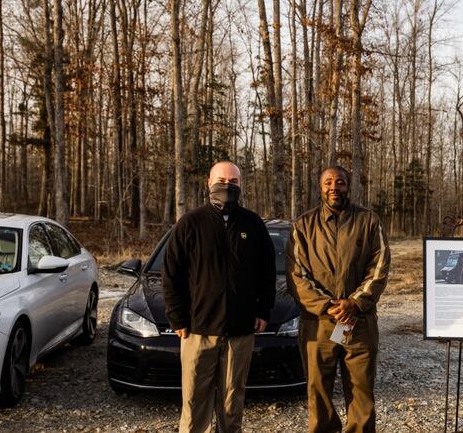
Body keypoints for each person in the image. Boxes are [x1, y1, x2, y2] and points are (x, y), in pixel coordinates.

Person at [162, 161, 276, 433]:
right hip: (198, 330)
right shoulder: (190, 223)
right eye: (221, 180)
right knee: (194, 402)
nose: (227, 186)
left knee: (231, 401)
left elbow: (267, 272)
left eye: (233, 182)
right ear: (208, 183)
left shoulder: (253, 224)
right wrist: (177, 317)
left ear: (241, 185)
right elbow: (171, 275)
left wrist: (264, 311)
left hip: (240, 331)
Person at [286, 165, 391, 433]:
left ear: (349, 186)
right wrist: (327, 306)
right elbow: (297, 275)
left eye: (340, 182)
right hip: (319, 323)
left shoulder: (369, 221)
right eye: (328, 182)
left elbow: (379, 267)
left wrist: (355, 303)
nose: (334, 187)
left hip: (359, 322)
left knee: (361, 391)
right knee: (318, 389)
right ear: (320, 188)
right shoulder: (303, 225)